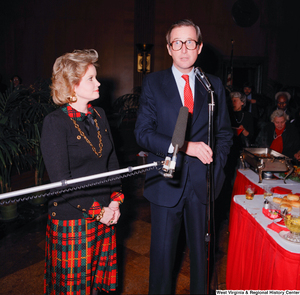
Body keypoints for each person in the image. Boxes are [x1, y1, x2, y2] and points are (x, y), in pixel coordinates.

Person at [134, 19, 233, 294]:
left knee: (202, 260)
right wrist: (184, 146)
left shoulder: (212, 85)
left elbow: (224, 134)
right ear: (168, 48)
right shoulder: (153, 83)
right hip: (166, 183)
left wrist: (218, 168)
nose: (184, 49)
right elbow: (142, 133)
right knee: (163, 261)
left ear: (199, 47)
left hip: (204, 183)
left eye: (190, 42)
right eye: (177, 43)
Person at [40, 49, 124, 295]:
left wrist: (116, 201)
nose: (98, 83)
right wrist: (101, 211)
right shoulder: (55, 123)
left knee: (98, 287)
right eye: (91, 78)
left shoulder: (100, 115)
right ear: (72, 85)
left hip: (105, 214)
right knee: (73, 289)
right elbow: (60, 181)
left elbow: (112, 162)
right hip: (73, 219)